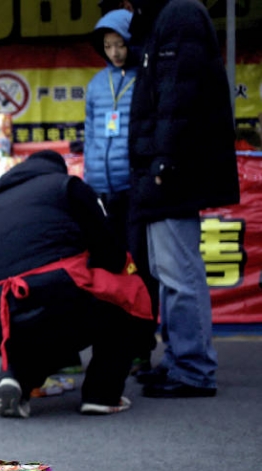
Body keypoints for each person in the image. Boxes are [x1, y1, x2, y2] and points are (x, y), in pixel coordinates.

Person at [0, 151, 153, 418]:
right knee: (123, 297)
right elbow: (110, 255)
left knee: (40, 329)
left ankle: (17, 378)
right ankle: (102, 395)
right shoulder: (67, 187)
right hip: (56, 301)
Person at [127, 0, 241, 398]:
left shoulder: (177, 15)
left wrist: (164, 161)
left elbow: (178, 95)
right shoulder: (167, 17)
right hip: (165, 168)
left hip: (171, 171)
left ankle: (192, 368)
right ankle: (180, 360)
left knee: (179, 273)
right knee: (167, 271)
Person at [84, 8, 159, 376]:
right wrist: (90, 183)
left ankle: (141, 348)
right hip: (102, 190)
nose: (115, 52)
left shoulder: (146, 77)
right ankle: (109, 348)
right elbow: (92, 135)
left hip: (135, 190)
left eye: (120, 44)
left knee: (140, 270)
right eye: (108, 45)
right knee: (107, 271)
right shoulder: (97, 84)